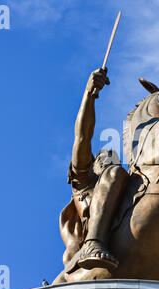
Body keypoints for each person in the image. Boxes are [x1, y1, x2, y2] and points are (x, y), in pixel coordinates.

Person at [59, 68, 129, 275]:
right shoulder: (85, 182)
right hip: (85, 259)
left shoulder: (124, 189)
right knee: (115, 174)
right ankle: (93, 242)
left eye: (114, 158)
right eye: (102, 157)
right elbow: (82, 136)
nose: (109, 157)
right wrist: (89, 94)